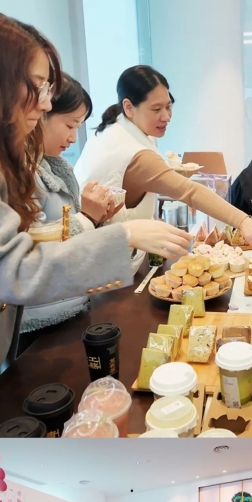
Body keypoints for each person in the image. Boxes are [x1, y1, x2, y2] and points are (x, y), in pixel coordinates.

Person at [0, 15, 192, 368]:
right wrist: (120, 232)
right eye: (39, 87)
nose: (45, 103)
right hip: (40, 322)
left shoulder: (48, 165)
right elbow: (17, 269)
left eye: (169, 107)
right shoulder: (122, 147)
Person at [74, 65, 252, 250]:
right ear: (128, 107)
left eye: (168, 106)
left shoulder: (114, 128)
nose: (166, 116)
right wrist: (244, 222)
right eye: (156, 109)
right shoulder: (133, 151)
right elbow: (189, 191)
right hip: (102, 255)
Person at [21, 72, 135, 332]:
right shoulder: (21, 173)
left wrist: (97, 218)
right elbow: (32, 250)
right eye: (70, 125)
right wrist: (88, 218)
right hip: (38, 318)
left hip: (69, 305)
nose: (73, 138)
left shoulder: (55, 166)